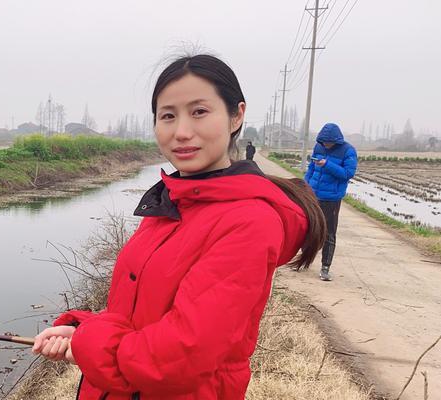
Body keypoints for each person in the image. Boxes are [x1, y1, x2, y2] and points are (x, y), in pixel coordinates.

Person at [31, 54, 327, 400]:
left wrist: (89, 343)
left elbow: (181, 353)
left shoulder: (249, 221)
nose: (182, 132)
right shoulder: (173, 201)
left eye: (199, 112)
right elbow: (139, 311)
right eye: (168, 116)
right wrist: (81, 327)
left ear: (236, 115)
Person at [304, 123, 358, 281]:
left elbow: (347, 173)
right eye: (323, 142)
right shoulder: (319, 147)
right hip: (313, 194)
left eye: (328, 142)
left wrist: (327, 164)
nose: (325, 145)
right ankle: (304, 259)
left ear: (336, 140)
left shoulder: (348, 151)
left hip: (331, 198)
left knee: (328, 232)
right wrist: (305, 185)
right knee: (308, 228)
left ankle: (325, 267)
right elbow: (311, 169)